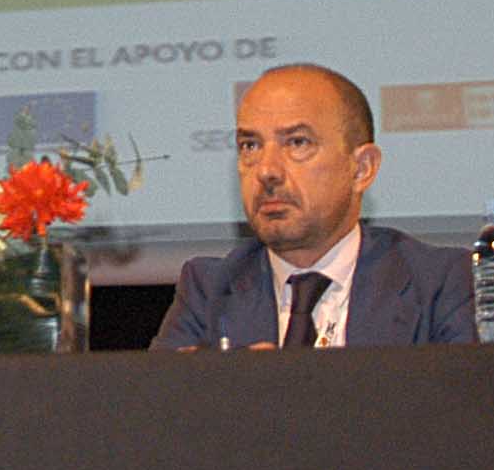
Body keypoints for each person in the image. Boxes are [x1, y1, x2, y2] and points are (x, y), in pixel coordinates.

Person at [151, 62, 472, 349]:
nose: (267, 171)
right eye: (250, 145)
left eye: (297, 142)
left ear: (361, 169)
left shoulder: (440, 284)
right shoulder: (209, 289)